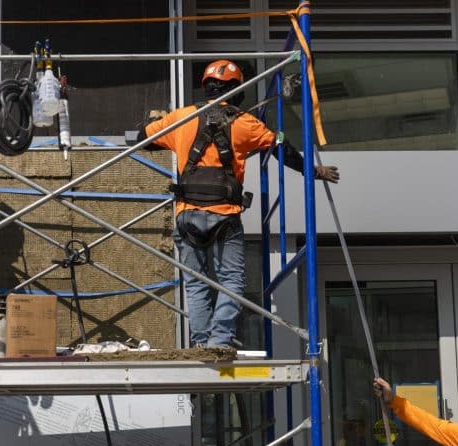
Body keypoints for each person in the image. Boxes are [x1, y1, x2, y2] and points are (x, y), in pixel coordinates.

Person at [144, 59, 340, 348]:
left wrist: (159, 125)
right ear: (236, 90)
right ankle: (219, 340)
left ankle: (201, 342)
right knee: (230, 281)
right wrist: (314, 171)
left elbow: (143, 138)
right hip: (224, 215)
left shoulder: (182, 118)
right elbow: (281, 148)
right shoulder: (245, 123)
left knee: (197, 283)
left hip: (187, 214)